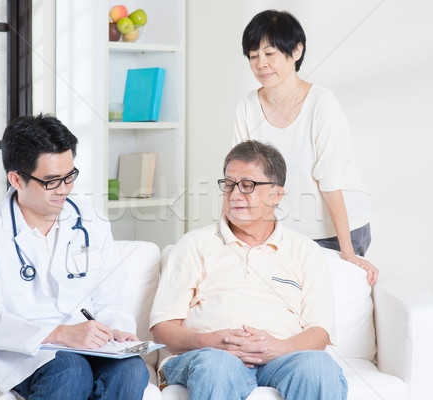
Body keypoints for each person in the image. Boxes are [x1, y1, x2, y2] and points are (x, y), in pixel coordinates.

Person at [0, 114, 149, 399]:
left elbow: (112, 296)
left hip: (88, 347)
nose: (64, 189)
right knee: (70, 369)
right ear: (16, 179)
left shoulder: (91, 221)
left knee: (131, 369)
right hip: (21, 353)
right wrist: (58, 334)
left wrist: (116, 331)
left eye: (69, 176)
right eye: (51, 181)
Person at [150, 140, 347, 400]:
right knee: (217, 367)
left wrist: (277, 347)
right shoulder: (194, 245)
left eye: (247, 185)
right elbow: (162, 327)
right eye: (229, 185)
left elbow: (319, 332)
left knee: (320, 368)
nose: (234, 195)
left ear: (276, 194)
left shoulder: (305, 250)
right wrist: (212, 342)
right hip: (209, 357)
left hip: (281, 359)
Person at [234, 10, 378, 285]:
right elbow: (240, 178)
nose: (261, 63)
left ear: (296, 51)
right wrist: (230, 237)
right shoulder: (247, 107)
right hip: (287, 231)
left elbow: (330, 181)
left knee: (328, 312)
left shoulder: (321, 104)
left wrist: (347, 252)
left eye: (270, 53)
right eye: (253, 56)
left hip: (338, 231)